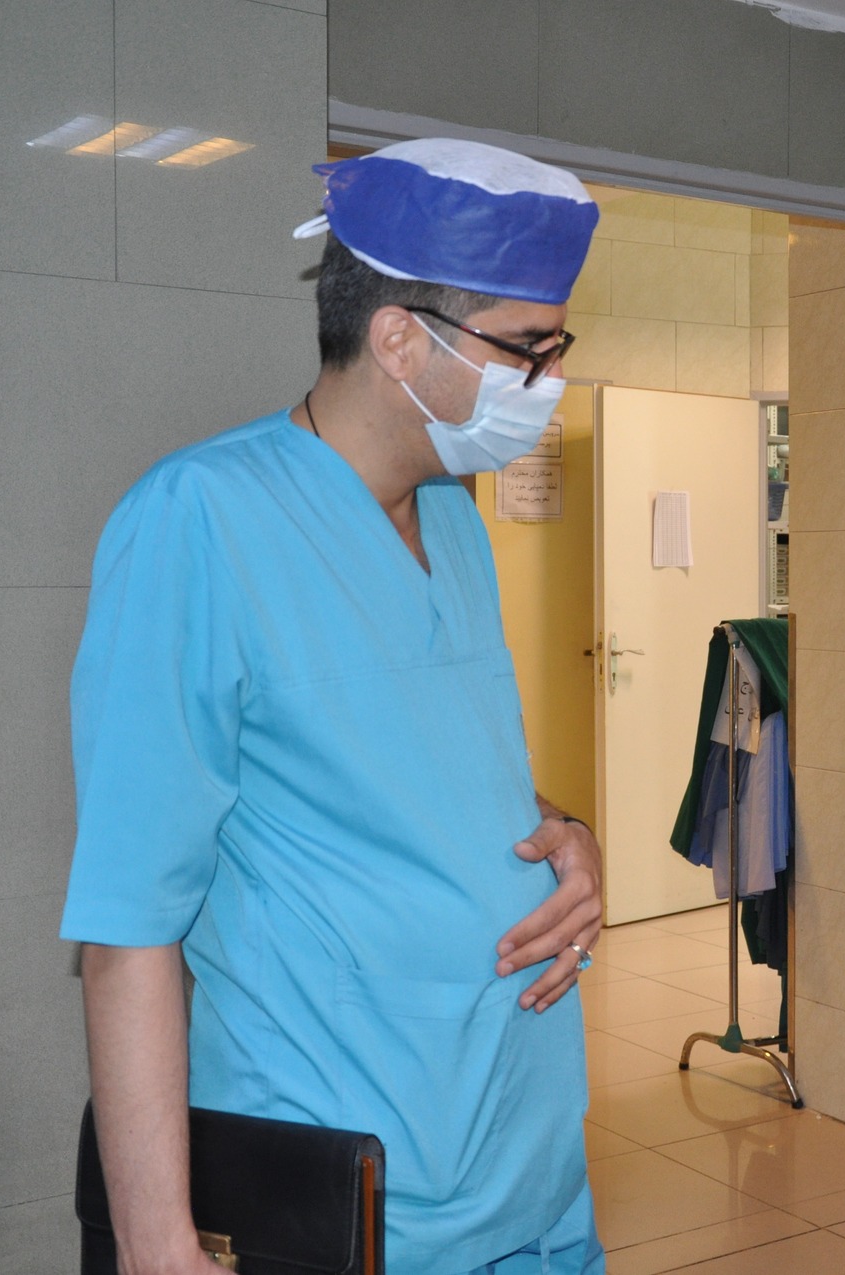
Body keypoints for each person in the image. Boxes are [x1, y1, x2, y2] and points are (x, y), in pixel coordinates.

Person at [60, 138, 608, 1275]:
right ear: (399, 338)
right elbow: (127, 920)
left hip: (523, 1154)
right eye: (527, 348)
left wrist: (562, 832)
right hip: (349, 1173)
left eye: (558, 348)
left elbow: (416, 766)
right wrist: (159, 1246)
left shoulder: (453, 519)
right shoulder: (199, 520)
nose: (549, 380)